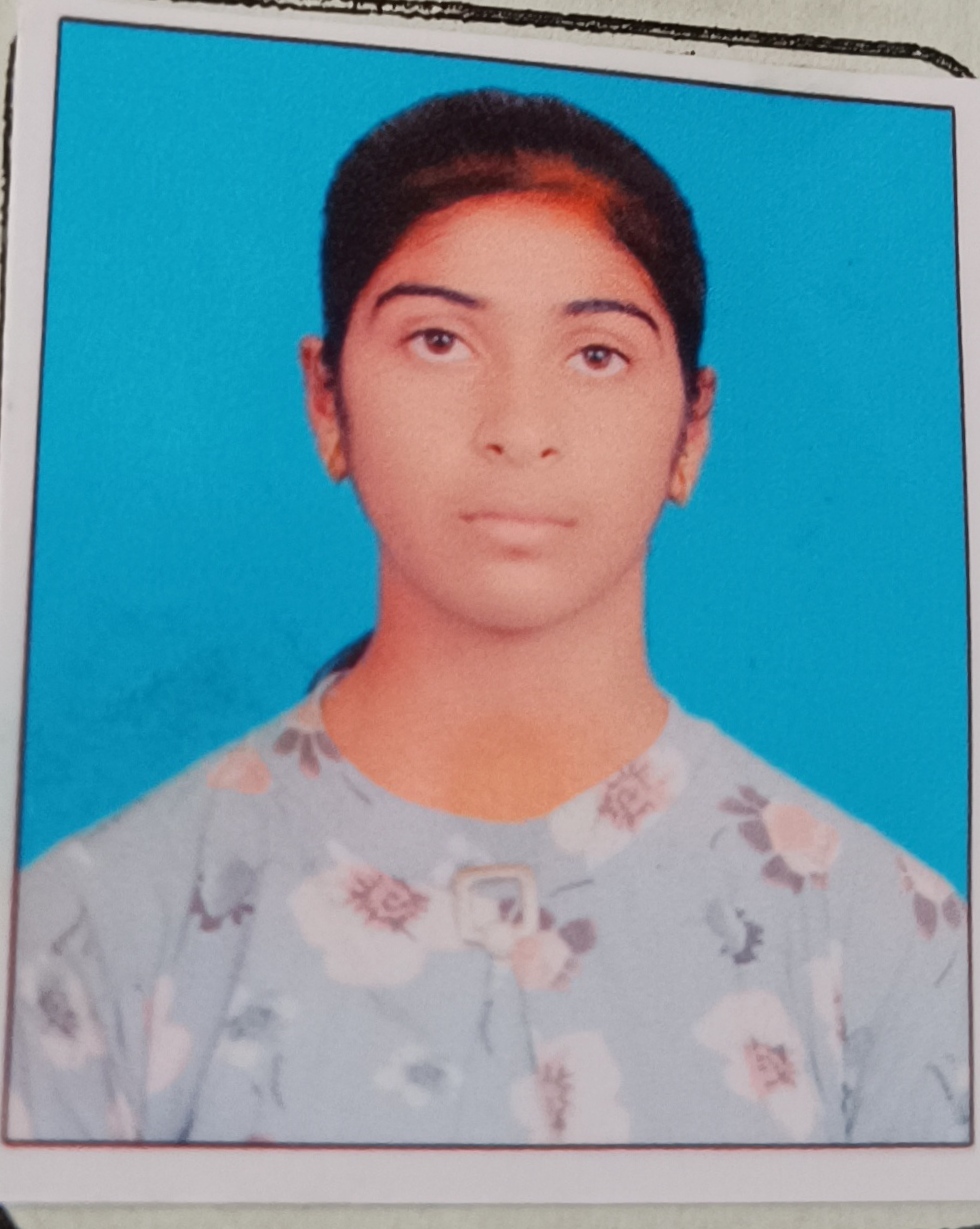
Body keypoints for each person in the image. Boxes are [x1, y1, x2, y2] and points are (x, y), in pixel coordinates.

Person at [8, 89, 969, 1147]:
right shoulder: (82, 938)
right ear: (327, 400)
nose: (518, 427)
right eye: (438, 339)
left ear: (691, 427)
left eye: (596, 354)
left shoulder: (891, 942)